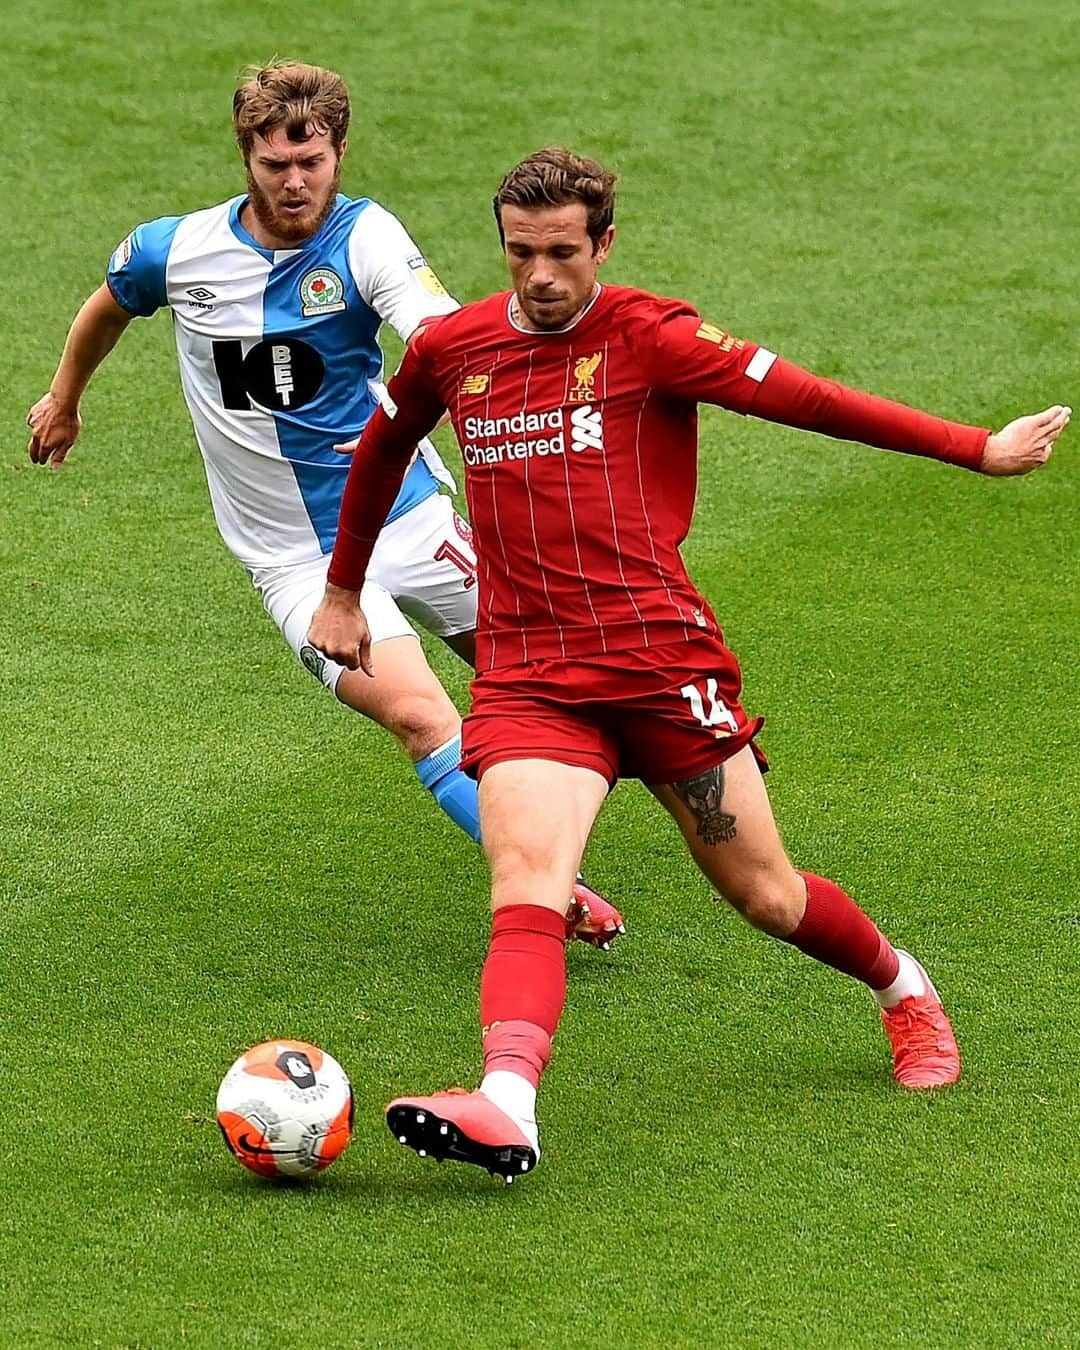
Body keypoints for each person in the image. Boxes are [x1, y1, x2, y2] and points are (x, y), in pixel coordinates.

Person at [311, 144, 1069, 1183]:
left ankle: (903, 988)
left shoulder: (650, 338)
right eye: (521, 252)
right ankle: (507, 1102)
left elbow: (810, 400)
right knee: (528, 877)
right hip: (531, 676)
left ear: (604, 245)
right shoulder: (453, 349)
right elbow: (384, 448)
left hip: (663, 670)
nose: (539, 276)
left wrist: (973, 447)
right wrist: (344, 590)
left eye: (563, 253)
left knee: (767, 895)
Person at [24, 71, 622, 947]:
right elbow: (109, 306)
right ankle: (546, 883)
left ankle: (687, 799)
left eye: (311, 161)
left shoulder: (366, 235)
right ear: (247, 158)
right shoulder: (175, 250)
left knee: (558, 677)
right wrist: (64, 396)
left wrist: (426, 408)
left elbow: (435, 331)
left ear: (338, 152)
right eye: (275, 164)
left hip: (408, 518)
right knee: (422, 716)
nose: (295, 182)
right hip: (297, 566)